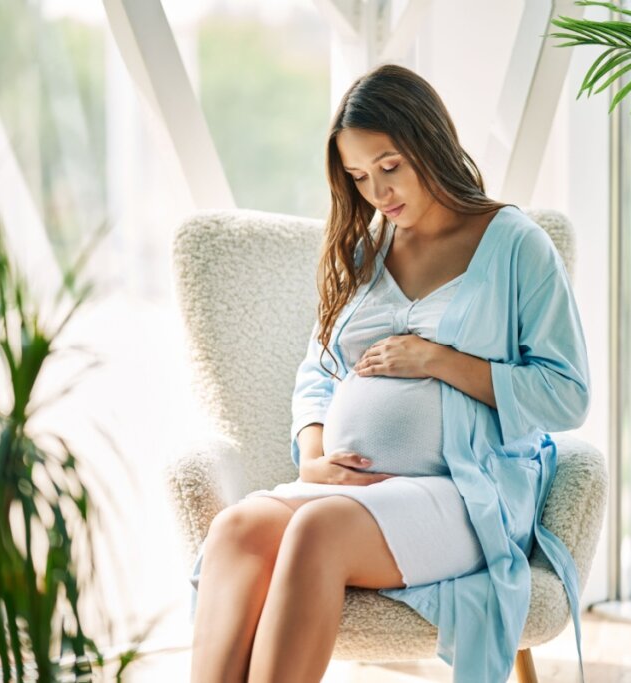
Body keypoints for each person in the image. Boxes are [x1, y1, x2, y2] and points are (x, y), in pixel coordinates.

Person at [189, 63, 590, 683]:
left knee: (318, 531)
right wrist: (315, 456)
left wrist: (440, 361)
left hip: (462, 490)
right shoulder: (365, 249)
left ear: (429, 141)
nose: (377, 192)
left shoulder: (515, 244)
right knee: (237, 527)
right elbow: (318, 372)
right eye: (358, 176)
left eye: (389, 166)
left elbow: (566, 394)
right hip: (354, 490)